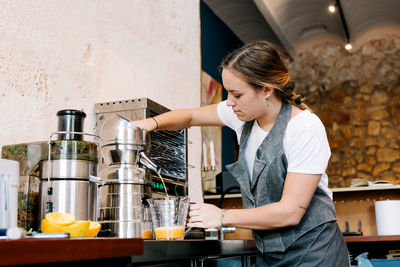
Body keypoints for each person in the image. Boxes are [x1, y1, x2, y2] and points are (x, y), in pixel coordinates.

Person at [133, 41, 350, 267]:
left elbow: (290, 212)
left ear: (267, 90)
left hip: (315, 254)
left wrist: (221, 216)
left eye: (237, 94)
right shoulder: (240, 115)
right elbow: (190, 117)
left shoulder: (304, 128)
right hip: (269, 255)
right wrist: (147, 124)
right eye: (228, 91)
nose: (229, 102)